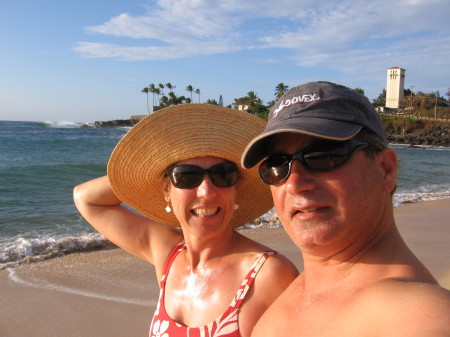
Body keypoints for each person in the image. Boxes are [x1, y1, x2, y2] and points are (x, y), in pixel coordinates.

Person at [241, 81, 450, 336]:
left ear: (385, 169)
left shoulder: (418, 315)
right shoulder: (286, 290)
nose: (294, 183)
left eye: (323, 156)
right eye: (276, 165)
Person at [73, 104, 298, 337]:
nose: (207, 192)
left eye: (223, 175)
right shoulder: (168, 254)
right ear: (166, 190)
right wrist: (144, 172)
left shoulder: (268, 275)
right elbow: (86, 198)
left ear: (235, 189)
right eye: (187, 176)